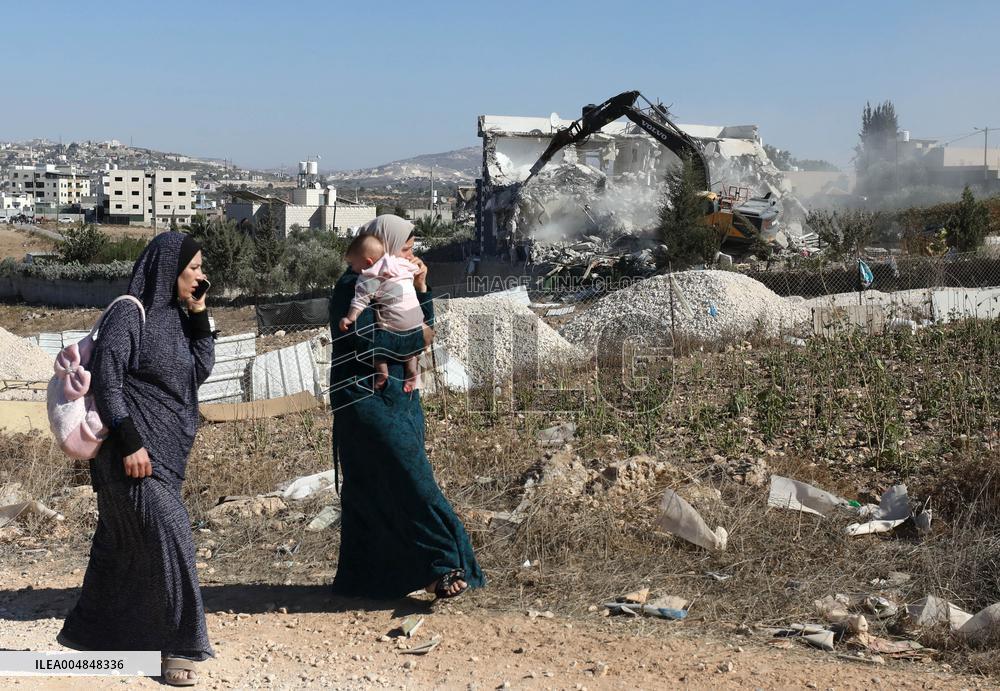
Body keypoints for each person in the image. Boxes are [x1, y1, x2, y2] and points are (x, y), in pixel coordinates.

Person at [59, 232, 215, 687]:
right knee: (173, 536)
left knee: (123, 548)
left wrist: (199, 316)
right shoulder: (129, 313)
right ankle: (180, 647)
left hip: (166, 456)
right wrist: (130, 443)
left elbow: (199, 371)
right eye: (194, 269)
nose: (201, 277)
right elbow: (107, 381)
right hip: (130, 456)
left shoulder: (177, 317)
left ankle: (97, 637)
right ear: (169, 269)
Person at [329, 215, 484, 600]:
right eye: (407, 249)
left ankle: (367, 580)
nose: (413, 257)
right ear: (383, 247)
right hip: (364, 400)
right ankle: (444, 560)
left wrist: (421, 287)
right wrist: (418, 338)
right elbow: (370, 342)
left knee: (371, 487)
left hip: (401, 397)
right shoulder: (354, 284)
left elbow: (425, 324)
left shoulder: (400, 280)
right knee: (412, 481)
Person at [338, 233, 424, 392]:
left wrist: (349, 318)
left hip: (396, 329)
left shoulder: (369, 275)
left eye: (353, 264)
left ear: (368, 262)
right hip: (418, 326)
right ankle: (412, 368)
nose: (352, 268)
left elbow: (360, 301)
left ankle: (382, 371)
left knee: (375, 347)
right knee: (411, 350)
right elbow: (415, 269)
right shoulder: (400, 263)